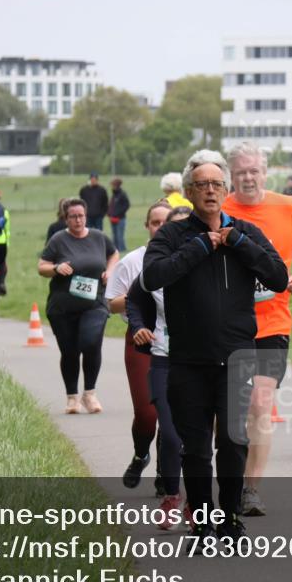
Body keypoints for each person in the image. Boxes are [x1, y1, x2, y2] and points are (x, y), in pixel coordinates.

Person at [140, 149, 288, 541]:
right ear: (188, 192)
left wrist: (237, 242)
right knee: (197, 448)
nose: (209, 190)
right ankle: (203, 521)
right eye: (201, 184)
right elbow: (153, 276)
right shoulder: (173, 235)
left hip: (237, 355)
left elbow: (278, 277)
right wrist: (201, 247)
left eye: (216, 184)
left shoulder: (245, 232)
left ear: (227, 189)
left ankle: (230, 517)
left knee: (233, 440)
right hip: (188, 358)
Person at [222, 142, 292, 517]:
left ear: (265, 172)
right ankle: (225, 477)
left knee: (260, 404)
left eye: (254, 170)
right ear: (231, 174)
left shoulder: (286, 206)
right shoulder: (220, 209)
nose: (248, 177)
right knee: (228, 409)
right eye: (241, 171)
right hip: (227, 324)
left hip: (273, 322)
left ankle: (251, 489)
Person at [126, 204, 193, 529]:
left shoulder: (211, 262)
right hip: (164, 357)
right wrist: (138, 324)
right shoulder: (155, 266)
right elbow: (134, 299)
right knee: (169, 432)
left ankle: (196, 501)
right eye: (174, 229)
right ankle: (170, 495)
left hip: (203, 359)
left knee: (199, 436)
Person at [105, 200, 171, 491]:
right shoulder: (133, 261)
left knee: (174, 414)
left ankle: (165, 474)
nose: (161, 228)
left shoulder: (186, 258)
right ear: (147, 226)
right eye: (156, 223)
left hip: (178, 341)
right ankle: (141, 453)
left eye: (167, 223)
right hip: (141, 339)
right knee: (148, 414)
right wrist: (139, 290)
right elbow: (112, 305)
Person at [38, 198, 119, 414]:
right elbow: (42, 266)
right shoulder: (58, 239)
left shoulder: (98, 237)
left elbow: (114, 254)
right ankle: (72, 398)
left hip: (94, 303)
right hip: (63, 307)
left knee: (90, 342)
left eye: (81, 215)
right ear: (66, 218)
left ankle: (90, 394)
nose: (78, 220)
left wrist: (110, 271)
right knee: (70, 352)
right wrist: (56, 267)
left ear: (86, 216)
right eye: (73, 216)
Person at [108, 178, 131, 252]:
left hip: (120, 218)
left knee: (119, 236)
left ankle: (122, 250)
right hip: (113, 218)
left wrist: (119, 214)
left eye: (113, 185)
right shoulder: (114, 194)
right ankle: (115, 250)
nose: (112, 186)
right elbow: (111, 205)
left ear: (117, 185)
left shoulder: (122, 194)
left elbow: (127, 205)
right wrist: (109, 213)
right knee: (114, 236)